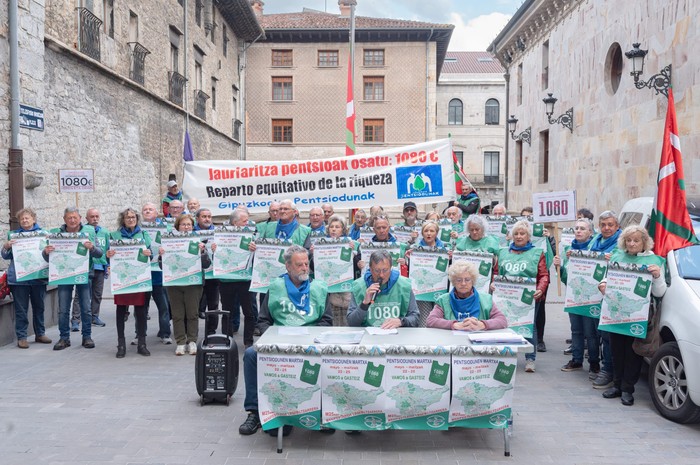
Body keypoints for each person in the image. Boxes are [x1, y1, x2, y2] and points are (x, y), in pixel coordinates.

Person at [238, 245, 333, 436]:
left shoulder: (319, 288)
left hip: (309, 342)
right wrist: (273, 338)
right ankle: (255, 412)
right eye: (299, 265)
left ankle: (321, 412)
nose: (305, 268)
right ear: (288, 266)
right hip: (279, 342)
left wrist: (311, 337)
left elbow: (327, 321)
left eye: (306, 264)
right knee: (250, 355)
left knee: (329, 359)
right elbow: (263, 320)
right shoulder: (276, 287)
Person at [599, 225, 666, 406]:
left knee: (633, 352)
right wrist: (603, 284)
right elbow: (608, 278)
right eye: (628, 240)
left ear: (644, 241)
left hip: (638, 315)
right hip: (616, 313)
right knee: (616, 351)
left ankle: (628, 389)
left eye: (636, 240)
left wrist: (658, 276)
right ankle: (617, 385)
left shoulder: (655, 260)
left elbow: (660, 292)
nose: (632, 243)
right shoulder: (617, 256)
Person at [493, 220, 549, 372]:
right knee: (504, 324)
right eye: (516, 233)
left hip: (529, 297)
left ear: (528, 236)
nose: (518, 236)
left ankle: (530, 359)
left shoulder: (537, 253)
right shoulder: (503, 252)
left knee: (529, 326)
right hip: (506, 296)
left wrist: (540, 289)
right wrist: (493, 284)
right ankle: (505, 356)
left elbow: (544, 274)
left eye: (522, 233)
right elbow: (497, 272)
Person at [47, 207, 104, 350]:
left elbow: (99, 254)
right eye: (69, 218)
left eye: (75, 217)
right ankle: (64, 338)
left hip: (84, 274)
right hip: (64, 275)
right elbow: (46, 257)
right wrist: (45, 252)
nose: (72, 220)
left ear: (80, 218)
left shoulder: (89, 231)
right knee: (63, 308)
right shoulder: (56, 234)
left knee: (85, 308)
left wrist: (91, 248)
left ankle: (87, 337)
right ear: (64, 219)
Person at [554, 218, 601, 377]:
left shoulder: (595, 249)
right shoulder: (569, 250)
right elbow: (566, 278)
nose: (578, 231)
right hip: (574, 296)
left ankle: (594, 363)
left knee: (590, 332)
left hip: (590, 297)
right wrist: (559, 267)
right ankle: (576, 359)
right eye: (576, 228)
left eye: (582, 228)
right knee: (576, 330)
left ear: (590, 232)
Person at [1, 208, 52, 348]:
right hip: (19, 279)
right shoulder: (14, 236)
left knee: (39, 307)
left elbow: (51, 254)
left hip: (38, 277)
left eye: (27, 218)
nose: (24, 220)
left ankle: (40, 334)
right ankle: (22, 337)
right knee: (21, 309)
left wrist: (49, 245)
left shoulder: (44, 235)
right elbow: (6, 256)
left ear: (33, 219)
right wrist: (6, 247)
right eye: (22, 219)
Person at [106, 208, 153, 357]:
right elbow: (108, 257)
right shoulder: (114, 235)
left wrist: (148, 254)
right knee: (121, 312)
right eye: (128, 218)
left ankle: (142, 343)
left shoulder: (144, 235)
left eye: (133, 217)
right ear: (123, 220)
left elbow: (150, 256)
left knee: (140, 312)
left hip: (139, 278)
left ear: (137, 219)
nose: (131, 220)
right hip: (122, 279)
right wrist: (108, 255)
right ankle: (121, 345)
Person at [161, 213, 211, 356]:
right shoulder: (169, 242)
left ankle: (192, 341)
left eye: (189, 224)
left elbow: (207, 264)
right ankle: (181, 342)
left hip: (193, 283)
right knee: (177, 314)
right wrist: (161, 255)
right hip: (175, 283)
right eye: (183, 224)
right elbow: (161, 265)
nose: (186, 227)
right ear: (177, 227)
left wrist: (202, 251)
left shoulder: (198, 242)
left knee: (192, 313)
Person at [588, 210, 622, 390]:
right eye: (603, 225)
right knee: (598, 333)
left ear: (617, 226)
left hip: (614, 294)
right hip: (593, 294)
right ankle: (601, 365)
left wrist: (614, 259)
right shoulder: (595, 241)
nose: (607, 228)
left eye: (610, 225)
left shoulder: (622, 242)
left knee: (608, 335)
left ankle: (609, 370)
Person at [213, 209, 256, 348]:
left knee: (249, 312)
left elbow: (259, 257)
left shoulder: (251, 235)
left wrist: (255, 249)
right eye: (244, 221)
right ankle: (227, 341)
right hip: (226, 280)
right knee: (227, 312)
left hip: (245, 279)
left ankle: (248, 342)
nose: (247, 223)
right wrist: (214, 249)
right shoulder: (220, 235)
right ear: (235, 223)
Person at [347, 249, 420, 328]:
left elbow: (415, 318)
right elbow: (351, 322)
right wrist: (364, 304)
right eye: (377, 270)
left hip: (398, 335)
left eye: (385, 270)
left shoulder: (404, 285)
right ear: (370, 269)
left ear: (391, 268)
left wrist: (401, 321)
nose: (381, 275)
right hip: (368, 337)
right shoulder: (359, 286)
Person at [427, 261, 507, 330]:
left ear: (473, 281)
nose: (463, 283)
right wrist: (455, 325)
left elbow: (502, 321)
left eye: (467, 280)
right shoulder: (443, 300)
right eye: (459, 280)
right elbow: (431, 320)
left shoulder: (486, 299)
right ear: (453, 282)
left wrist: (482, 324)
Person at [70, 208, 108, 329]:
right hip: (86, 267)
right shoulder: (83, 231)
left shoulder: (105, 233)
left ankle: (94, 316)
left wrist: (108, 266)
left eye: (97, 216)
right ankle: (76, 319)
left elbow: (107, 249)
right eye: (92, 217)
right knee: (79, 295)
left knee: (97, 294)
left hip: (100, 267)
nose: (95, 219)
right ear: (86, 218)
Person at [140, 202, 173, 345]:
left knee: (163, 306)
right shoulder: (138, 229)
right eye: (145, 209)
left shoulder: (166, 227)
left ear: (156, 212)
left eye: (150, 209)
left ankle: (165, 333)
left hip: (159, 273)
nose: (147, 211)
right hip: (143, 274)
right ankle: (139, 334)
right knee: (141, 308)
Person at [405, 221, 447, 326]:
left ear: (436, 233)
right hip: (422, 291)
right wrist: (408, 259)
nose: (429, 233)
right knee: (424, 318)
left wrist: (450, 259)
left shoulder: (444, 249)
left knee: (438, 317)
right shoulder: (415, 248)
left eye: (432, 231)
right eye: (426, 231)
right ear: (422, 233)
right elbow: (411, 269)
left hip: (439, 289)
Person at [195, 208, 222, 335]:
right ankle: (192, 334)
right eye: (204, 216)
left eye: (209, 216)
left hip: (213, 274)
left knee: (213, 305)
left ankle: (211, 332)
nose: (207, 219)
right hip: (195, 275)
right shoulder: (190, 232)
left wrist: (218, 249)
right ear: (197, 218)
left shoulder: (218, 233)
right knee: (194, 306)